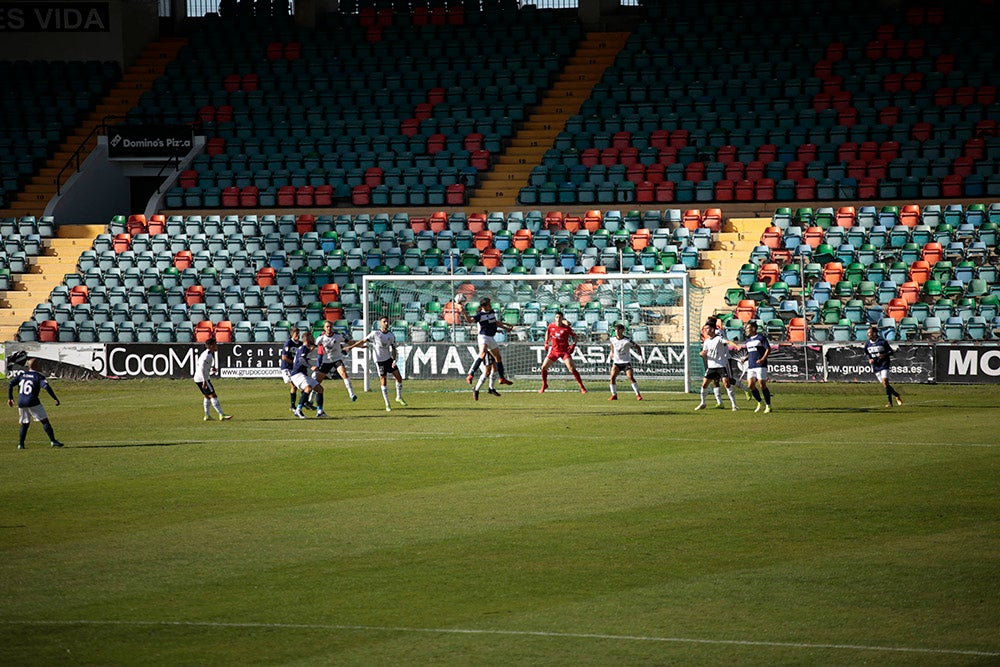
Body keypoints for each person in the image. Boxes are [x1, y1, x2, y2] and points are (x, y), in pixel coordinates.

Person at [7, 357, 64, 449]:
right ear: (37, 366)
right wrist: (55, 398)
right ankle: (53, 441)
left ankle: (20, 444)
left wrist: (10, 398)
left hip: (21, 402)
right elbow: (46, 387)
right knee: (44, 421)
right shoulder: (38, 376)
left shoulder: (23, 374)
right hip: (32, 401)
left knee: (25, 423)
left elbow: (10, 384)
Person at [353, 316, 406, 411]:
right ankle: (387, 404)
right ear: (380, 323)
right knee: (383, 380)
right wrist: (352, 346)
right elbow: (363, 341)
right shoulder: (375, 333)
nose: (386, 323)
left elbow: (393, 348)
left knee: (399, 378)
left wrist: (394, 360)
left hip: (389, 360)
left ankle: (398, 397)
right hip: (380, 361)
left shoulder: (391, 335)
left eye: (387, 321)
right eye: (384, 321)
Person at [462, 297, 514, 386]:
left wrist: (506, 327)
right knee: (482, 354)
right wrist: (464, 312)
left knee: (498, 357)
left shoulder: (491, 312)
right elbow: (469, 321)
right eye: (489, 304)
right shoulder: (479, 315)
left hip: (491, 337)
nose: (490, 306)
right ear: (484, 306)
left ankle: (502, 378)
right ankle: (471, 374)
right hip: (483, 337)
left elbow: (495, 322)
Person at [539, 310, 586, 393]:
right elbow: (547, 332)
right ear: (554, 318)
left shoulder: (566, 328)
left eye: (560, 317)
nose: (558, 319)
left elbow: (575, 337)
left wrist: (573, 345)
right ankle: (544, 384)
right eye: (557, 317)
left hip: (564, 352)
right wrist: (546, 343)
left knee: (571, 369)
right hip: (554, 351)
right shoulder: (551, 326)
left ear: (562, 319)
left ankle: (582, 387)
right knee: (543, 367)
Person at [695, 326, 740, 411]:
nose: (705, 330)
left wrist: (736, 346)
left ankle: (734, 405)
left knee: (726, 383)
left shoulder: (719, 338)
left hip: (720, 366)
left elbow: (728, 341)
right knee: (704, 385)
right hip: (711, 367)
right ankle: (703, 403)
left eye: (707, 329)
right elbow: (704, 352)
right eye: (704, 329)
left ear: (712, 330)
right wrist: (702, 353)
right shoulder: (706, 341)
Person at [314, 320, 358, 402]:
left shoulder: (338, 336)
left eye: (330, 326)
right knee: (318, 381)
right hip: (326, 361)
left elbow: (349, 342)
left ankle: (351, 394)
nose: (329, 328)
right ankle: (310, 399)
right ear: (324, 328)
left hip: (337, 359)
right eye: (327, 327)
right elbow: (313, 346)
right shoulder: (321, 338)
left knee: (343, 373)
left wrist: (357, 345)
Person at [290, 331, 328, 418]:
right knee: (308, 388)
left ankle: (320, 411)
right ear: (307, 339)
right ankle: (298, 410)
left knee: (319, 389)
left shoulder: (305, 348)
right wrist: (310, 366)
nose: (313, 339)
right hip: (297, 374)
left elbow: (314, 346)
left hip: (302, 374)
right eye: (311, 337)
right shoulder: (303, 348)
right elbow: (301, 360)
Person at [194, 338, 233, 421]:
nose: (216, 346)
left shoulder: (208, 354)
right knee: (213, 395)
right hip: (202, 379)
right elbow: (201, 368)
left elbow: (203, 367)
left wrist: (212, 369)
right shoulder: (207, 355)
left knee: (207, 396)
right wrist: (205, 381)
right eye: (215, 344)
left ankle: (207, 416)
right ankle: (221, 414)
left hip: (198, 378)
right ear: (211, 346)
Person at [864, 325, 903, 408]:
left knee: (885, 381)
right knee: (885, 385)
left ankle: (890, 402)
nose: (868, 335)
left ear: (874, 333)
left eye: (869, 333)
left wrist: (884, 355)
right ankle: (896, 394)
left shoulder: (882, 342)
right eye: (867, 333)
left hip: (884, 364)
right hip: (875, 366)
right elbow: (867, 353)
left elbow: (891, 352)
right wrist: (869, 359)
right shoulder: (867, 344)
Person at [743, 321, 773, 413]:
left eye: (748, 328)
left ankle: (768, 405)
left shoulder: (761, 338)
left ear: (754, 329)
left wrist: (763, 359)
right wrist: (745, 358)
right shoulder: (748, 340)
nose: (746, 330)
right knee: (751, 385)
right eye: (746, 328)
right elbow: (751, 352)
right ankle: (760, 402)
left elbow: (768, 349)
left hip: (760, 365)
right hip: (751, 365)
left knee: (761, 384)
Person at [607, 323, 642, 401]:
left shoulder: (627, 340)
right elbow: (612, 345)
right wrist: (612, 352)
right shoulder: (612, 339)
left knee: (630, 377)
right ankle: (614, 395)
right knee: (612, 377)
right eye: (615, 330)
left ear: (622, 331)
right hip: (616, 362)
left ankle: (638, 395)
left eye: (618, 330)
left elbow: (638, 347)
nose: (616, 332)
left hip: (626, 362)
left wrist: (640, 357)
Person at [278, 326, 301, 413]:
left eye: (298, 333)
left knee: (298, 386)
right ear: (292, 334)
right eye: (296, 333)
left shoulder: (300, 344)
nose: (298, 335)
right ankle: (293, 406)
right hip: (287, 368)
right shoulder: (288, 343)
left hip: (294, 368)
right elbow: (284, 357)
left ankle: (301, 404)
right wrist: (294, 363)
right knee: (294, 385)